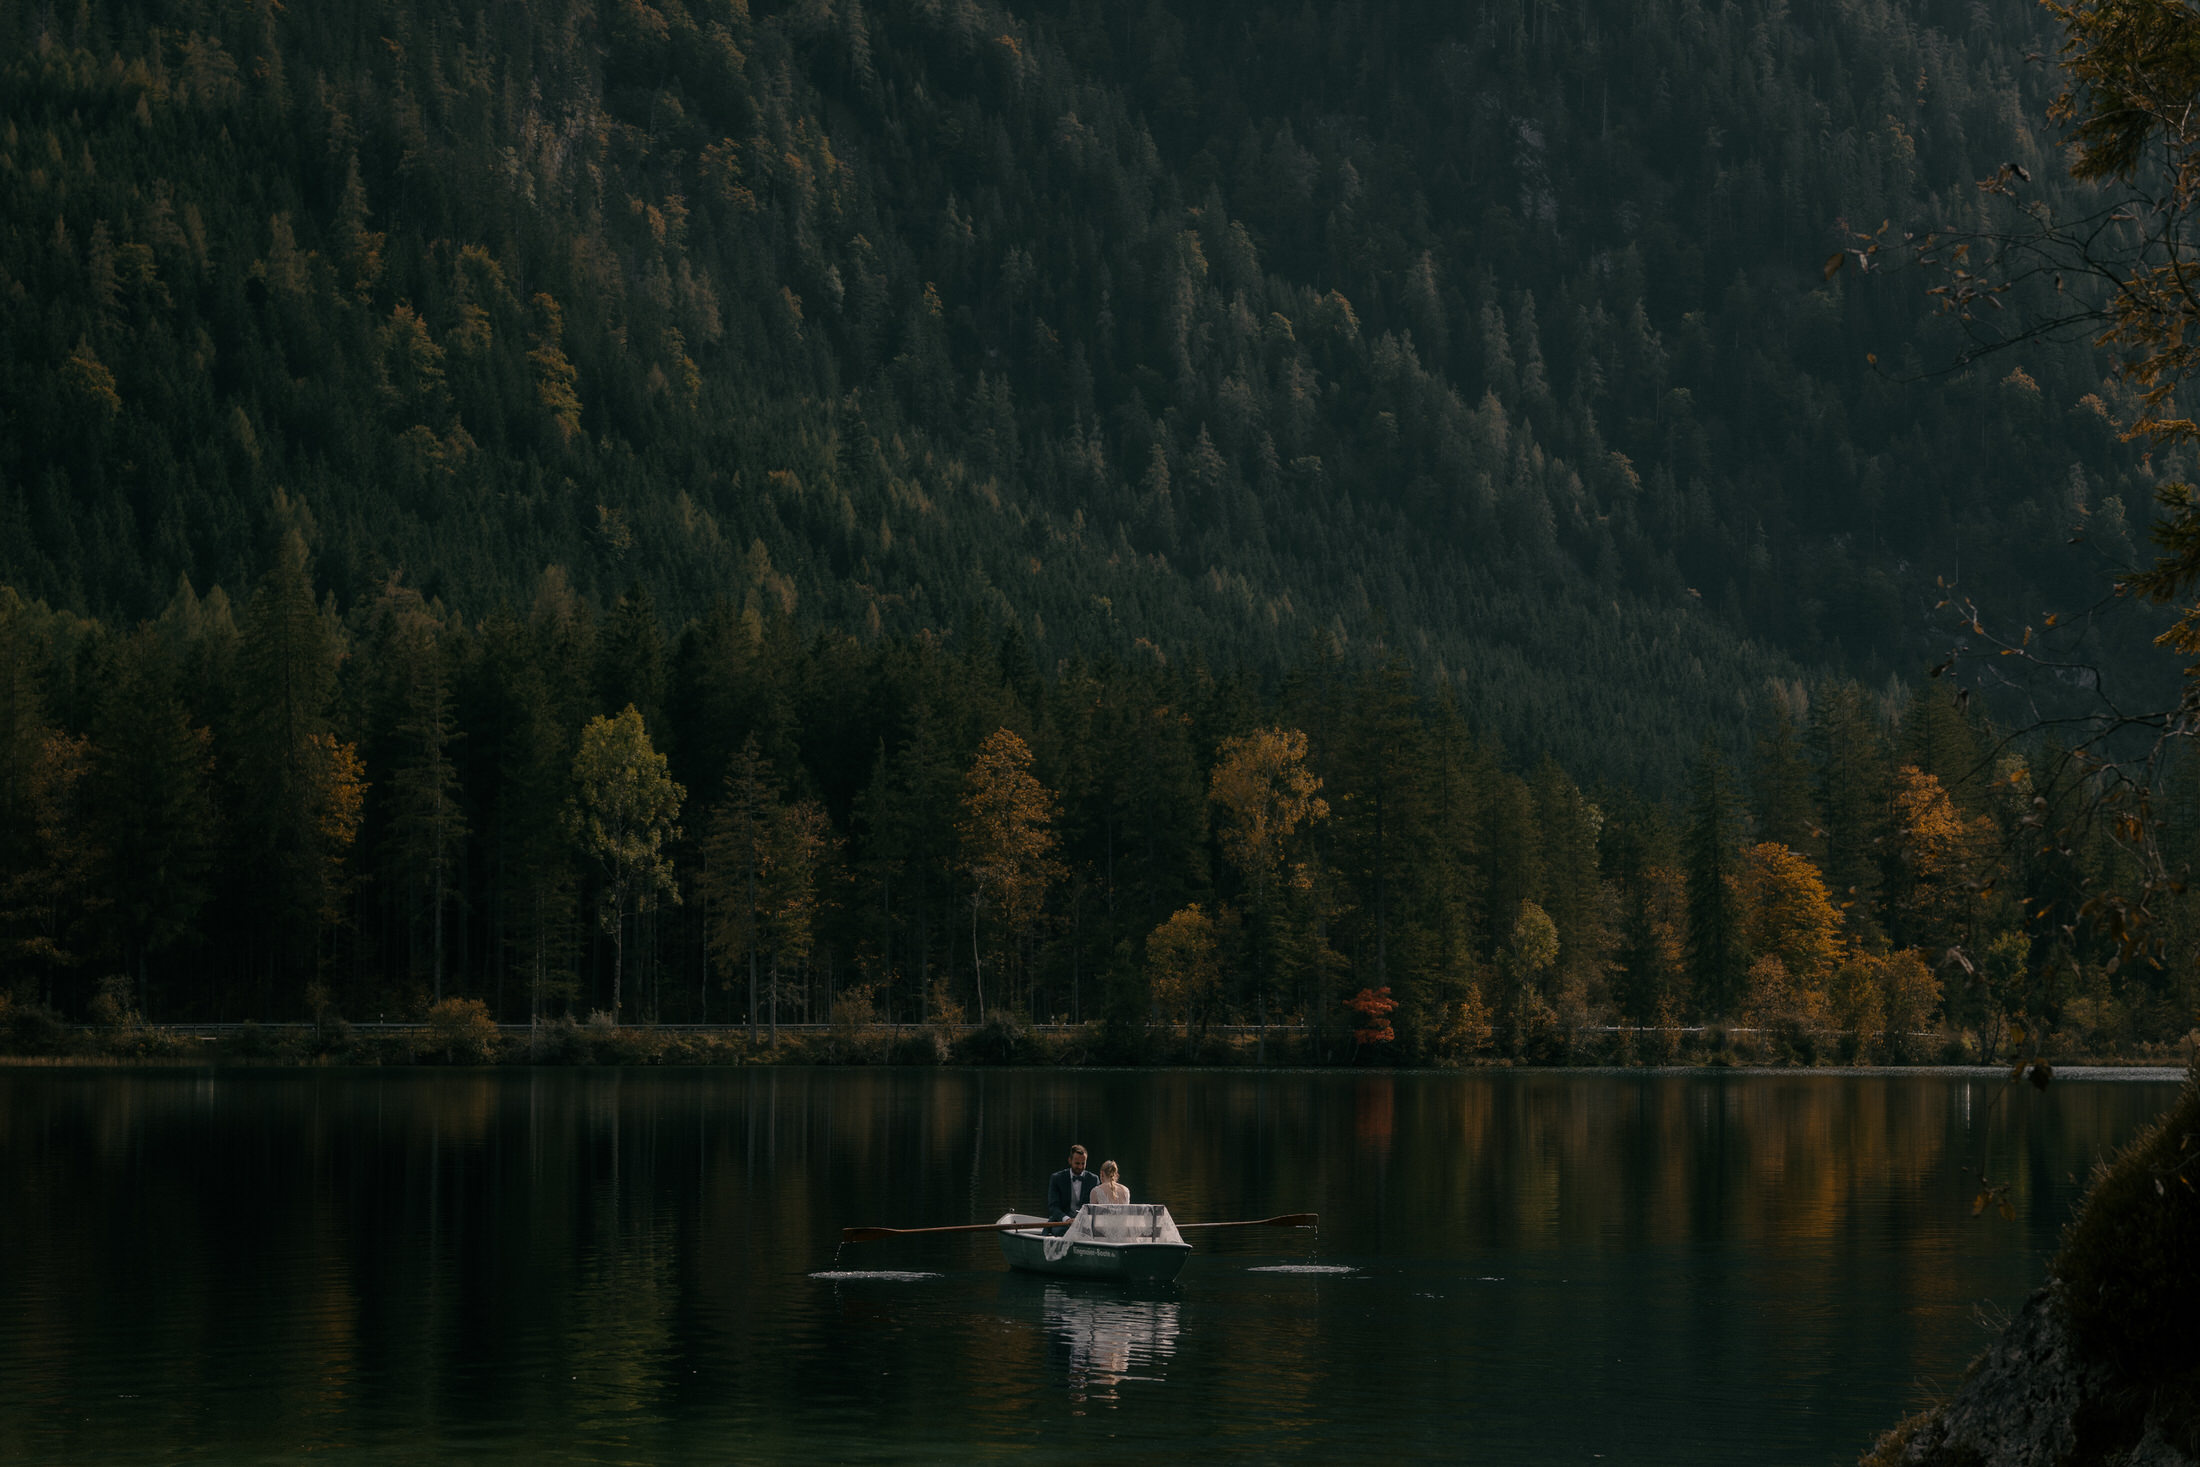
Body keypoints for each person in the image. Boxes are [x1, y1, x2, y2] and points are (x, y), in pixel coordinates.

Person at [1046, 1144, 1101, 1220]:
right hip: (1061, 1222)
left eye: (1083, 1163)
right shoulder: (1057, 1178)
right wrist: (1066, 1219)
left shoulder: (1093, 1180)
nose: (1080, 1167)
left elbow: (1096, 1207)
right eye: (1077, 1163)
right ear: (1070, 1160)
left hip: (1085, 1222)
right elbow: (1053, 1206)